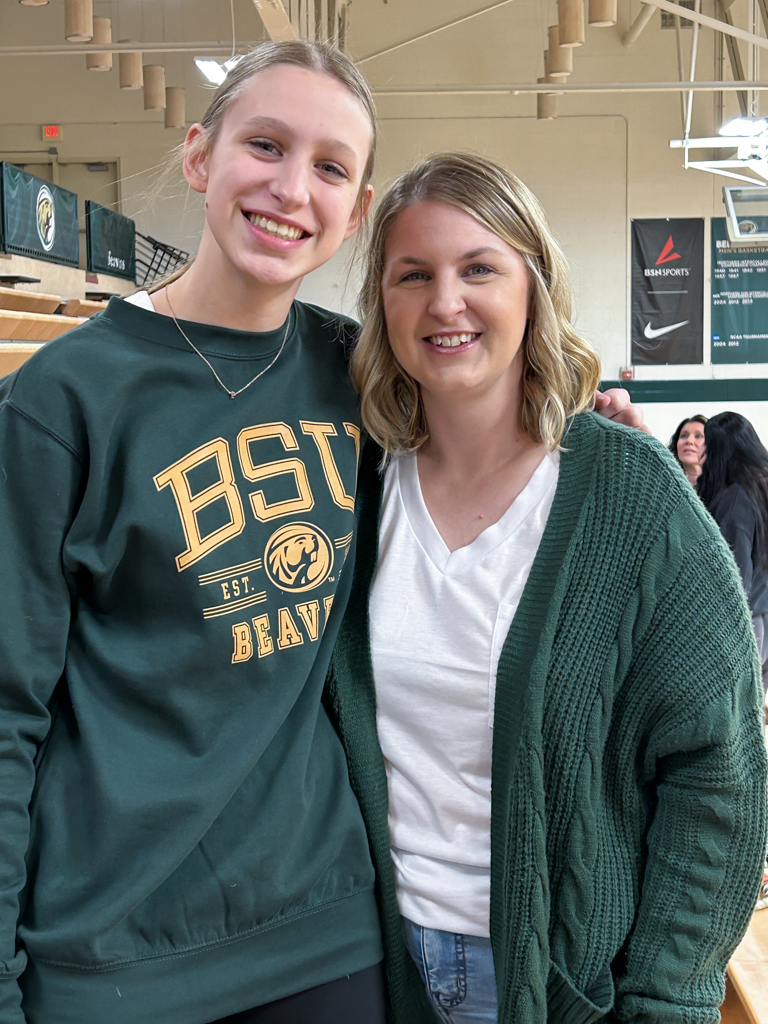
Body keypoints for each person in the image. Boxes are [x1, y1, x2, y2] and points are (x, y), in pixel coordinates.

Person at [0, 42, 646, 1024]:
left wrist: (617, 458)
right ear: (199, 156)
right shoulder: (63, 401)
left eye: (332, 167)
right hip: (110, 955)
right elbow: (8, 717)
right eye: (265, 145)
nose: (293, 188)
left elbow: (507, 439)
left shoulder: (364, 381)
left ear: (356, 208)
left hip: (325, 937)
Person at [328, 153, 768, 1024]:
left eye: (479, 268)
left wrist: (668, 994)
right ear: (382, 303)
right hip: (372, 963)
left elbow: (719, 767)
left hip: (560, 983)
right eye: (413, 275)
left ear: (533, 284)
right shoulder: (357, 483)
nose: (445, 302)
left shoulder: (630, 495)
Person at [699, 411, 768, 698]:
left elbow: (735, 573)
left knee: (736, 712)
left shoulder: (736, 496)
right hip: (763, 612)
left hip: (745, 620)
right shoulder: (761, 486)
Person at [668, 414, 707, 487]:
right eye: (684, 436)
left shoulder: (725, 488)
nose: (689, 441)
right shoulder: (663, 483)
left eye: (698, 436)